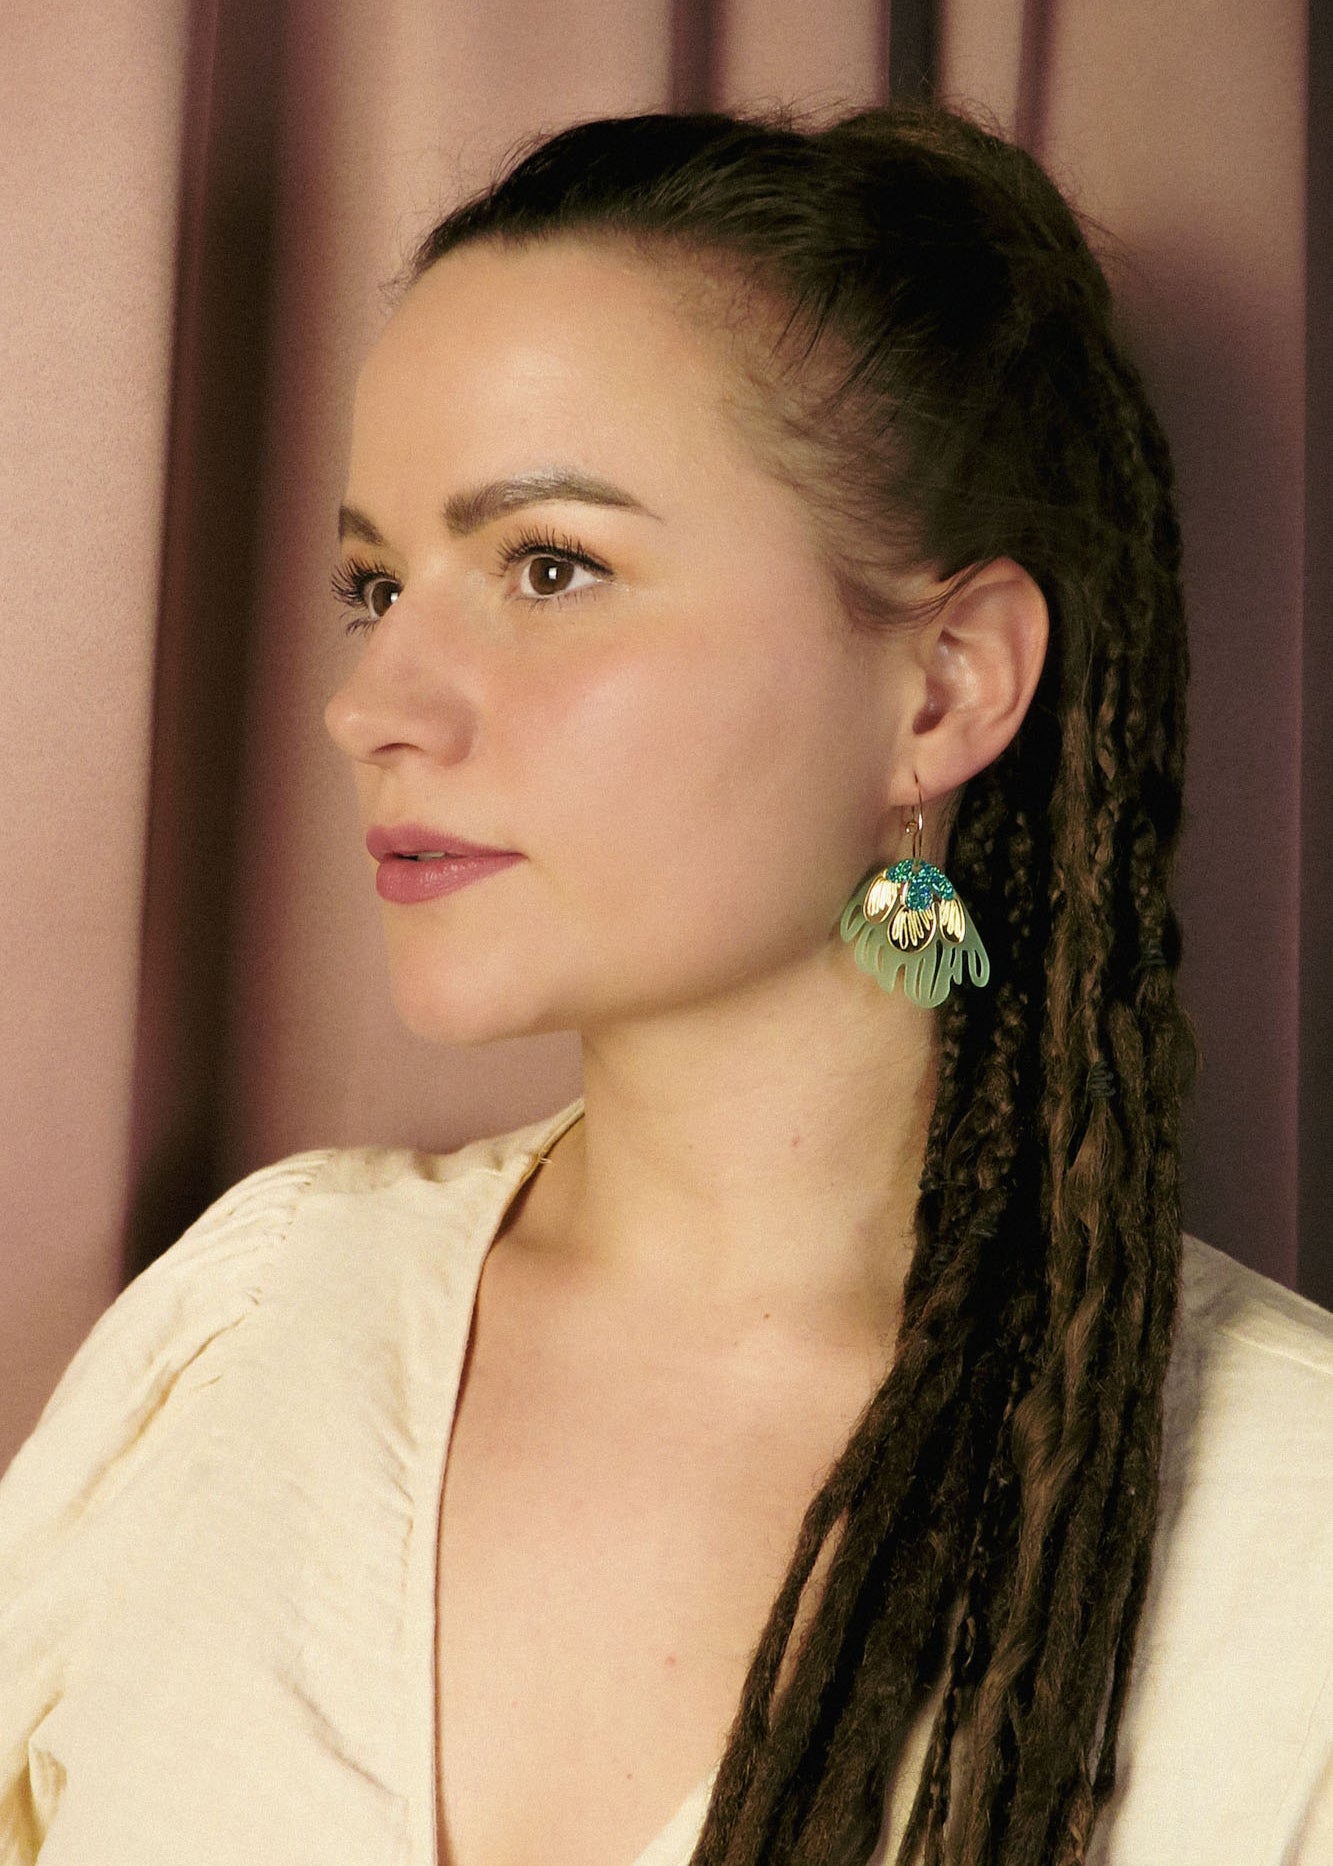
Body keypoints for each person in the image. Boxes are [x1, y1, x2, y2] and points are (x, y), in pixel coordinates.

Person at [1, 102, 1330, 1866]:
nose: (374, 701)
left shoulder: (1288, 1524)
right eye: (374, 583)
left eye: (550, 567)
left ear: (941, 689)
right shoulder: (249, 1333)